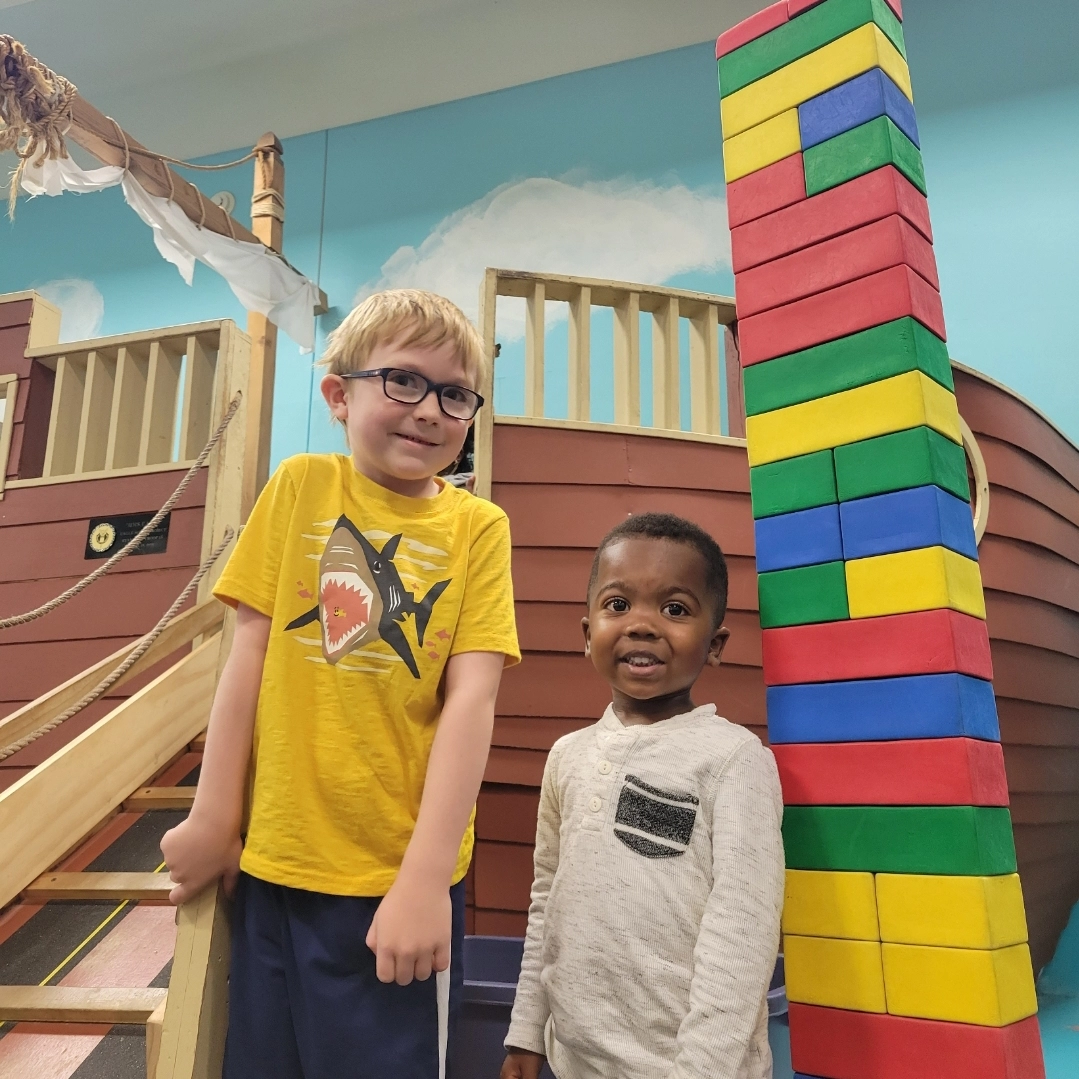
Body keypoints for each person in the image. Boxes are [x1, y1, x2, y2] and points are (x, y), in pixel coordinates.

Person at [161, 289, 521, 1079]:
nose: (428, 410)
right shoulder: (299, 488)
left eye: (454, 394)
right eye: (402, 381)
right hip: (275, 869)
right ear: (338, 393)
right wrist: (216, 813)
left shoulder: (477, 528)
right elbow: (246, 656)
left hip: (391, 880)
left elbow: (472, 699)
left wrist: (426, 878)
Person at [501, 513, 784, 1079]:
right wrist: (526, 1034)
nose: (643, 626)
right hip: (573, 1060)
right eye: (617, 605)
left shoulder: (733, 760)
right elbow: (546, 903)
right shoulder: (568, 756)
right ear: (587, 635)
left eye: (675, 609)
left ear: (716, 644)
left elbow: (743, 937)